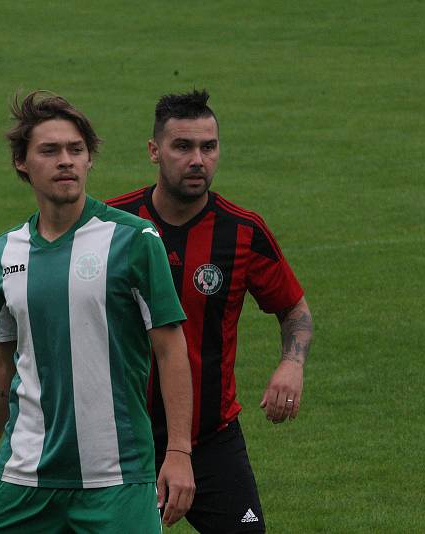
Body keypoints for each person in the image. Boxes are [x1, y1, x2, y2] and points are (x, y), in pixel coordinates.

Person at [0, 91, 196, 533]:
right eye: (50, 150)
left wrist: (178, 453)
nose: (66, 161)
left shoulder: (133, 240)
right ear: (22, 163)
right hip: (23, 475)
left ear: (89, 160)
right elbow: (3, 362)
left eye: (76, 150)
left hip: (116, 477)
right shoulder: (5, 253)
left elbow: (171, 349)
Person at [107, 89, 313, 533]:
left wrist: (291, 364)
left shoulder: (243, 231)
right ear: (154, 151)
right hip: (121, 441)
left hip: (211, 440)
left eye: (208, 147)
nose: (197, 159)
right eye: (182, 147)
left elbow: (293, 307)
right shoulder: (111, 227)